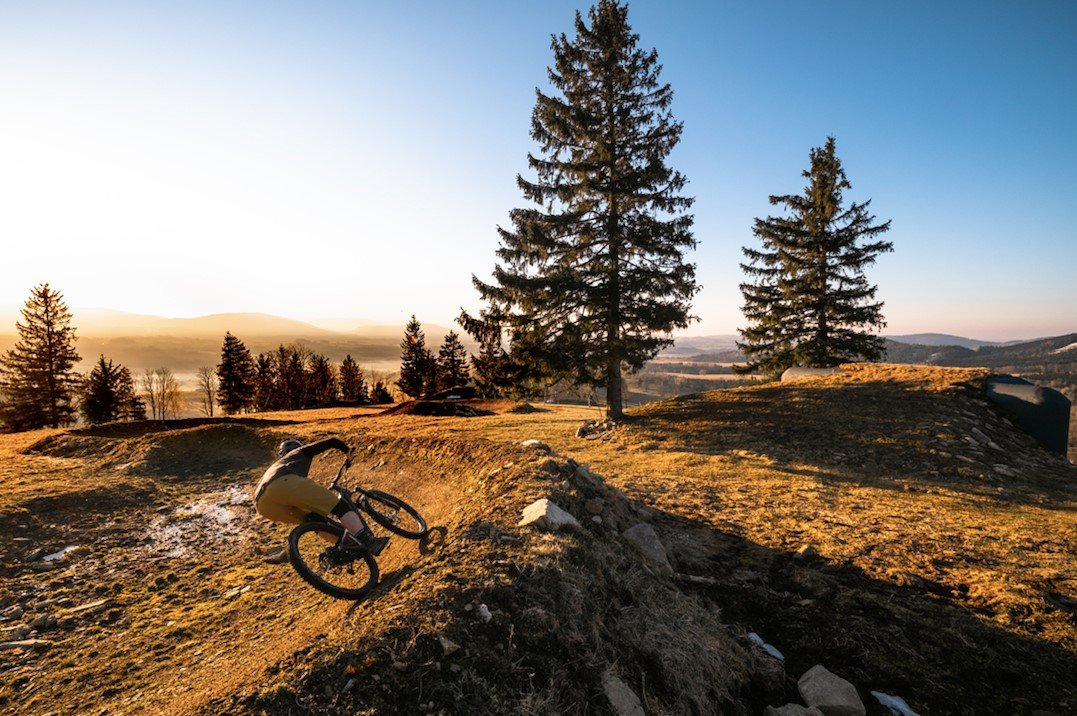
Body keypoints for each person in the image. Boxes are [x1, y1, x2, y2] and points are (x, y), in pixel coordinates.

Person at [255, 437, 387, 563]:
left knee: (312, 520)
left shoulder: (276, 466)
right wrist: (347, 451)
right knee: (339, 506)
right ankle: (370, 542)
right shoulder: (298, 452)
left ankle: (345, 549)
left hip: (262, 505)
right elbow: (332, 441)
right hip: (282, 484)